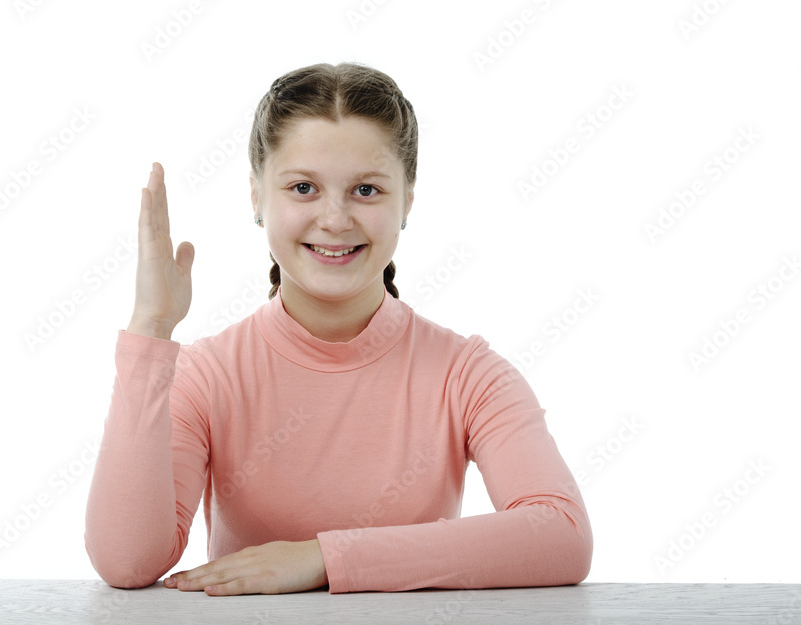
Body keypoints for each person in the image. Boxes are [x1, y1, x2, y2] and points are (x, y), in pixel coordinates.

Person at [84, 62, 593, 595]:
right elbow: (127, 562)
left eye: (366, 191)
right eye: (303, 187)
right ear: (257, 197)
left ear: (407, 204)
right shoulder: (206, 373)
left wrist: (324, 559)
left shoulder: (467, 373)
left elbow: (561, 533)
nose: (334, 219)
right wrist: (152, 329)